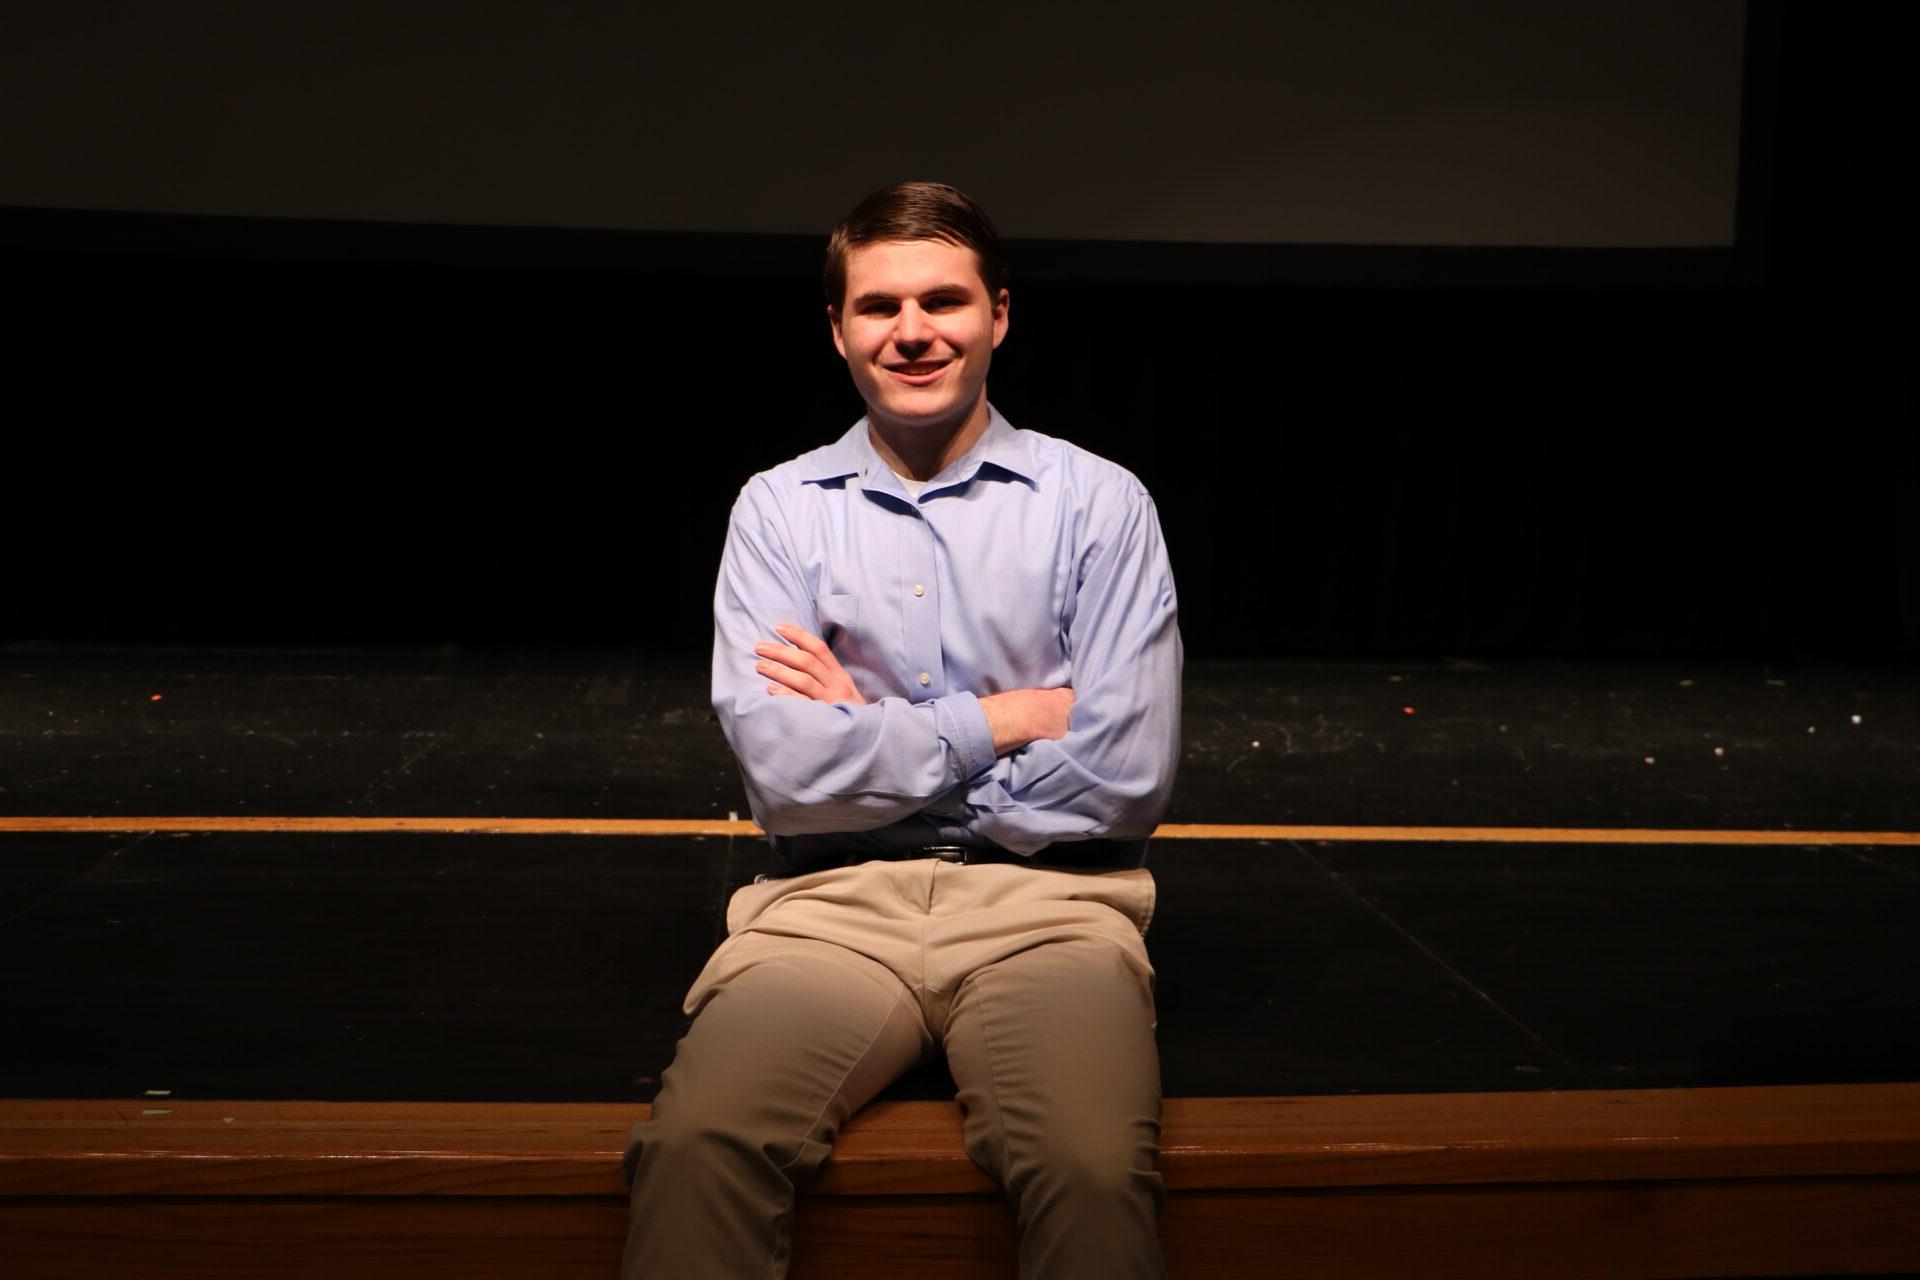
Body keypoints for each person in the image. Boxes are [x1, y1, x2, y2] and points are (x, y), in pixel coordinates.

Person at [622, 180, 1182, 1279]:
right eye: (879, 307)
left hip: (1051, 910)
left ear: (999, 315)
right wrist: (1009, 716)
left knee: (1089, 1165)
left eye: (944, 301)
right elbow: (786, 777)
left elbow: (1124, 777)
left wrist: (872, 733)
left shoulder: (1099, 503)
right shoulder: (779, 510)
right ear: (837, 328)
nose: (913, 332)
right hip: (827, 909)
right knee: (695, 1145)